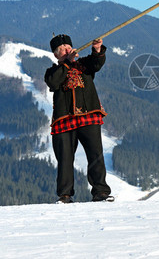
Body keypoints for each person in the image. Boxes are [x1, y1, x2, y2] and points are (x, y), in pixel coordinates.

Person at [44, 34, 113, 203]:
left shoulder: (84, 65)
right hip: (64, 120)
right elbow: (54, 82)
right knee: (65, 159)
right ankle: (65, 195)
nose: (67, 50)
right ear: (56, 54)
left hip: (89, 116)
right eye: (63, 49)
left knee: (95, 154)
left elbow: (96, 63)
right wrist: (67, 62)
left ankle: (101, 192)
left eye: (69, 47)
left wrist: (97, 49)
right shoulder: (52, 72)